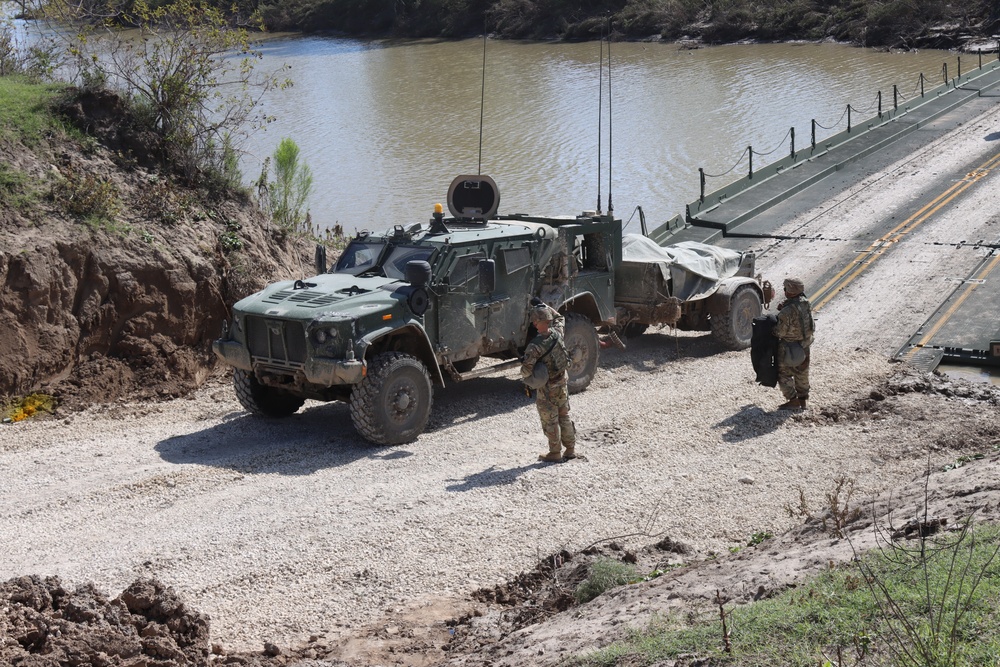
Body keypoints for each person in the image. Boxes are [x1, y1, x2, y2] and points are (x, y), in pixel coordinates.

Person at [521, 300, 577, 462]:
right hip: (562, 382)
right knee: (564, 415)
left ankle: (555, 452)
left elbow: (526, 370)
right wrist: (545, 306)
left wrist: (527, 374)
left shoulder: (535, 346)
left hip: (547, 388)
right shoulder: (557, 333)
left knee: (550, 419)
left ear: (536, 322)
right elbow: (559, 317)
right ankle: (570, 449)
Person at [773, 277, 814, 410]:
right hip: (805, 345)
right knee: (802, 373)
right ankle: (803, 400)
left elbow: (779, 332)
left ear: (789, 291)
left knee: (782, 374)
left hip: (788, 347)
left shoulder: (786, 312)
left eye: (785, 289)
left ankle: (792, 399)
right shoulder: (806, 303)